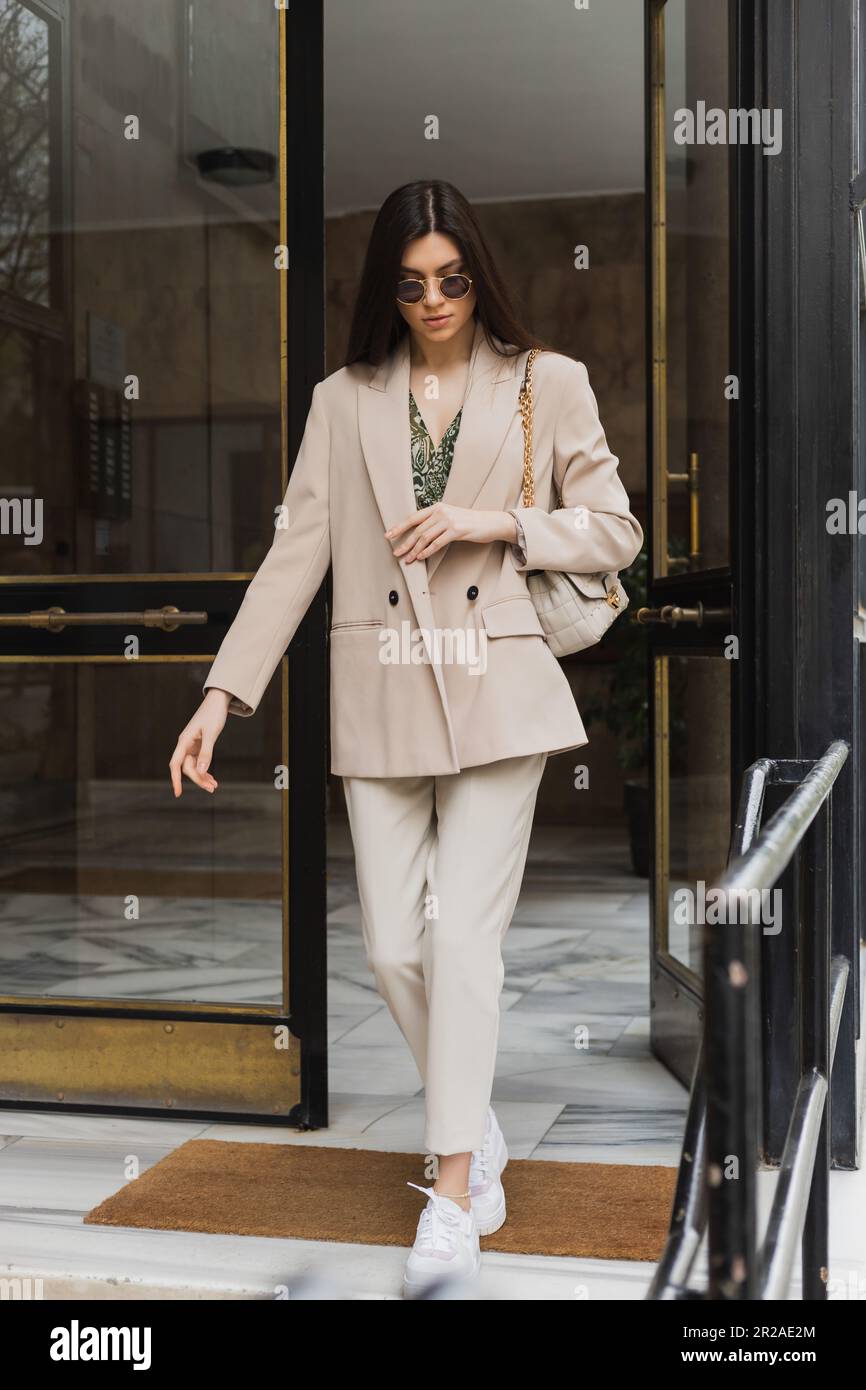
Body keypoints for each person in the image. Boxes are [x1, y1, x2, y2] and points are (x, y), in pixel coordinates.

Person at [169, 179, 643, 1297]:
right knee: (392, 946)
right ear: (388, 288)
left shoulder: (546, 382)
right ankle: (467, 1109)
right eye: (413, 283)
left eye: (454, 279)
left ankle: (452, 1186)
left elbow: (615, 528)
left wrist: (499, 520)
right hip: (378, 693)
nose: (435, 300)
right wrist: (219, 696)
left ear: (480, 275)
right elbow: (295, 556)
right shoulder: (343, 400)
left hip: (498, 690)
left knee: (463, 943)